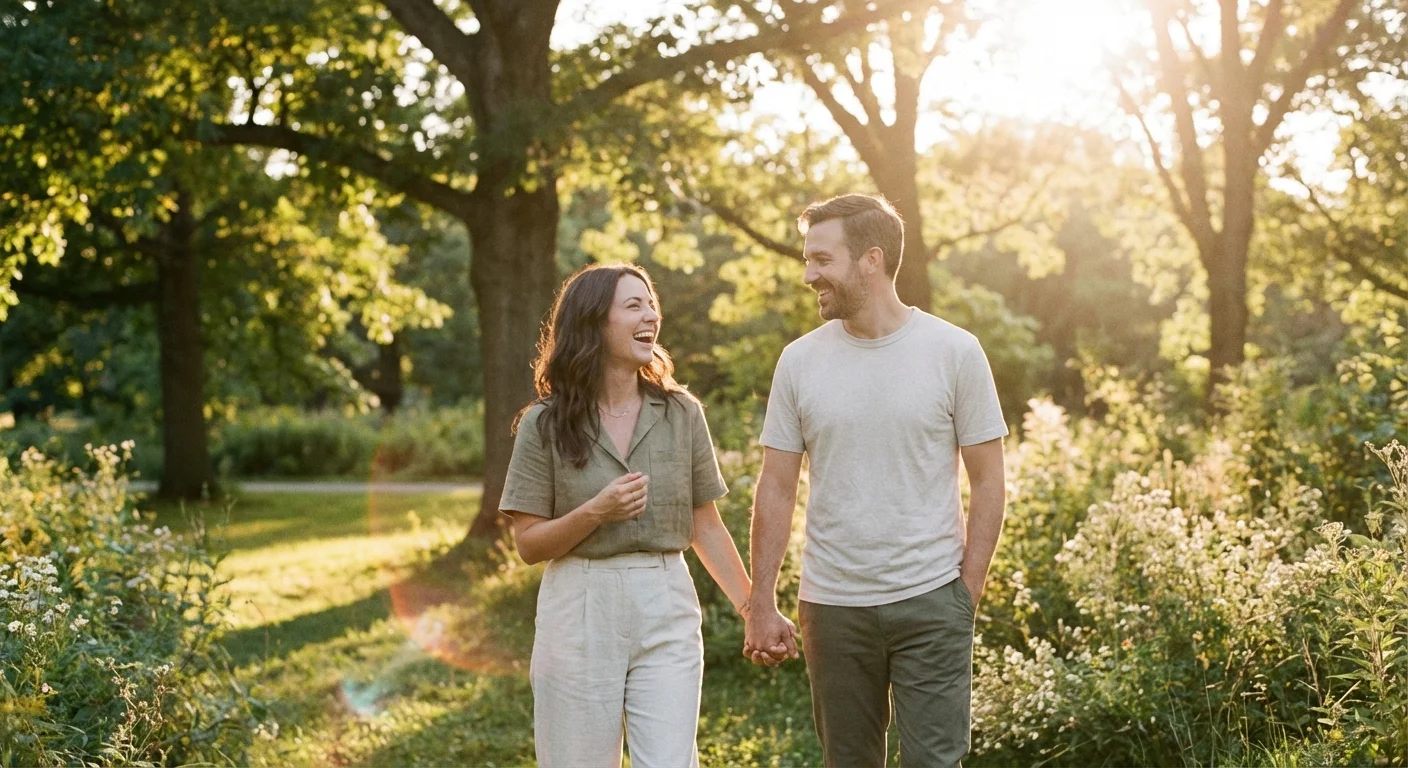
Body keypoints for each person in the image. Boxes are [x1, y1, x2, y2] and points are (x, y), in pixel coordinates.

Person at [743, 194, 1008, 767]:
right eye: (807, 260)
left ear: (871, 259)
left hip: (932, 599)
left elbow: (989, 481)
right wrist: (760, 602)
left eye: (821, 259)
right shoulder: (799, 361)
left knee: (935, 763)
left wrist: (967, 590)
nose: (809, 274)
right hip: (833, 608)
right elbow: (776, 487)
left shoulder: (955, 352)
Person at [499, 263, 756, 768]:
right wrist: (595, 512)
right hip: (579, 605)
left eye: (651, 304)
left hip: (666, 600)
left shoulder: (682, 413)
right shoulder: (544, 423)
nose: (651, 316)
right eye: (633, 305)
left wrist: (754, 610)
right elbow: (528, 544)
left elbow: (704, 524)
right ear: (594, 322)